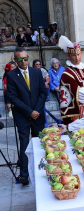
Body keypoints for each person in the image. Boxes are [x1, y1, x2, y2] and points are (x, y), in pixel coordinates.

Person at [7, 47, 47, 185]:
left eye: (25, 58)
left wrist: (37, 110)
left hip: (38, 116)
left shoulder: (36, 72)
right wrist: (29, 112)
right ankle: (24, 175)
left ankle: (42, 170)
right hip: (23, 117)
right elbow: (13, 97)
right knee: (24, 146)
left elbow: (43, 92)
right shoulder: (11, 76)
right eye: (20, 59)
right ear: (15, 60)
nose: (23, 62)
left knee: (40, 144)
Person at [58, 36, 84, 143]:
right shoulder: (67, 74)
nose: (76, 58)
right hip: (77, 113)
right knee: (78, 142)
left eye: (78, 54)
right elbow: (81, 95)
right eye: (73, 55)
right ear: (68, 56)